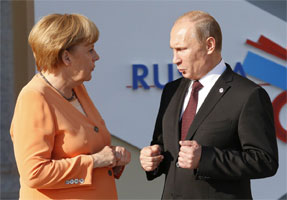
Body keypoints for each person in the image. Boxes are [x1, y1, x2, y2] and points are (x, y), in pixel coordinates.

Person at [139, 10, 278, 199]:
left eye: (182, 49)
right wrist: (153, 158)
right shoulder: (171, 90)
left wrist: (206, 159)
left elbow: (264, 160)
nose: (175, 59)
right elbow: (163, 144)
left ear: (209, 45)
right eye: (173, 49)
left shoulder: (248, 95)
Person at [10, 13, 131, 200]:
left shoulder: (77, 89)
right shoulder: (34, 98)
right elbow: (34, 173)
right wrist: (94, 161)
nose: (96, 57)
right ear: (66, 57)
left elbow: (85, 149)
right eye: (90, 50)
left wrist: (113, 157)